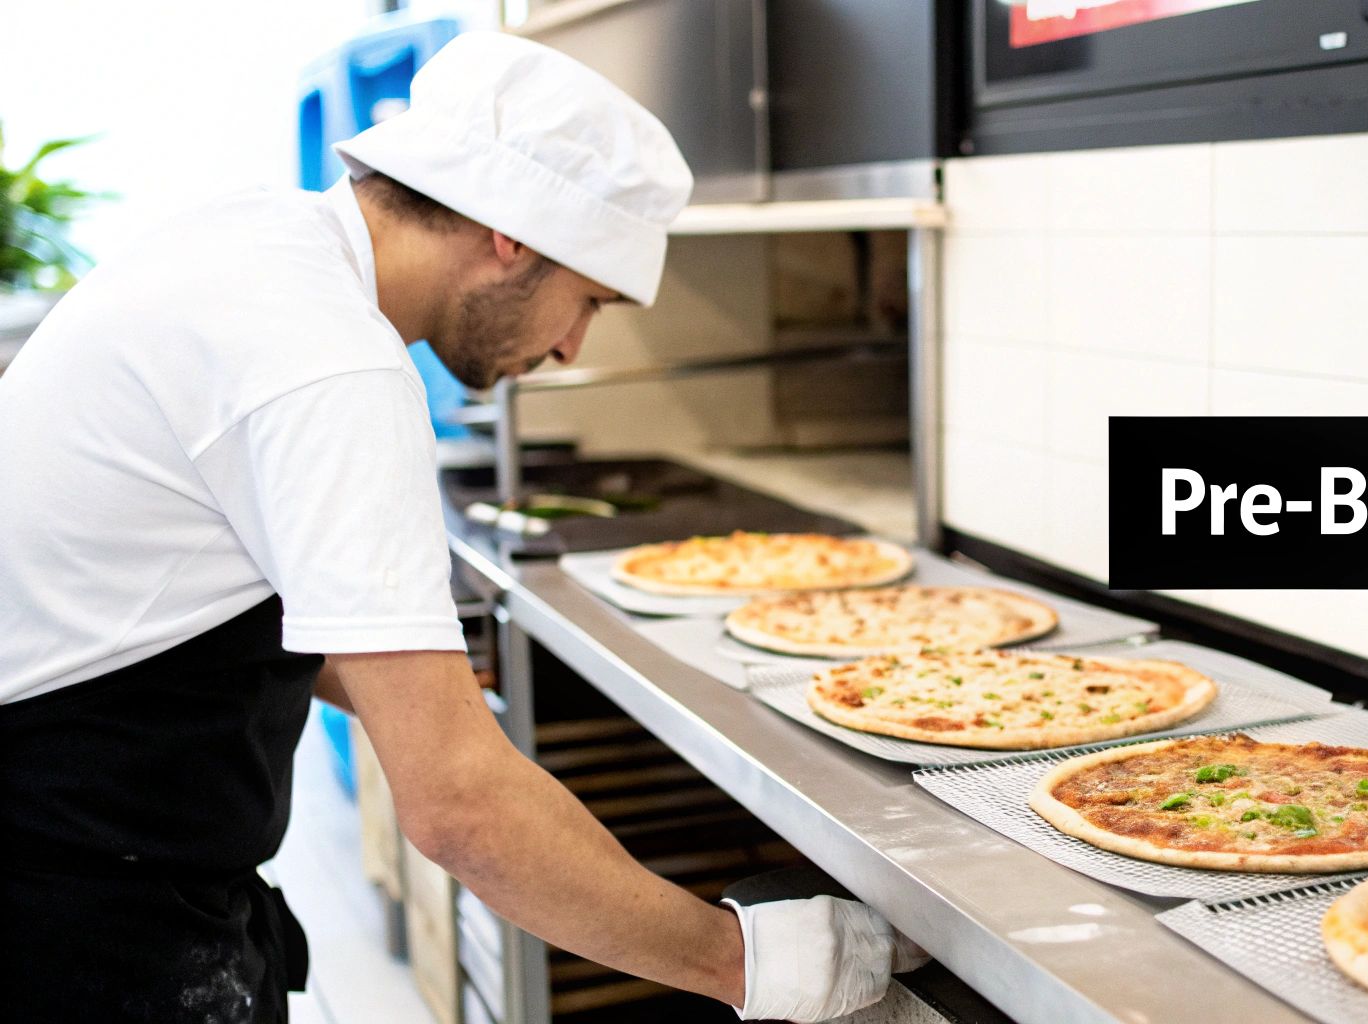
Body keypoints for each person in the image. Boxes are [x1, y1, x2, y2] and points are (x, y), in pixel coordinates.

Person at [0, 31, 923, 1023]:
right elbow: (458, 809)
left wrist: (435, 697)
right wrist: (750, 963)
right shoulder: (332, 362)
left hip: (94, 860)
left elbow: (187, 602)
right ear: (512, 234)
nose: (572, 347)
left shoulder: (261, 247)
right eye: (589, 300)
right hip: (66, 916)